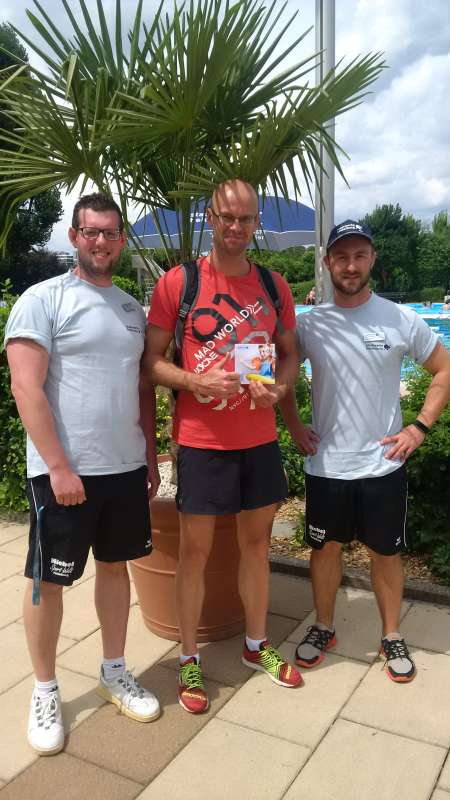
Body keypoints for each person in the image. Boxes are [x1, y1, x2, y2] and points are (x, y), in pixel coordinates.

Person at [4, 193, 161, 756]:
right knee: (48, 582)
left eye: (110, 233)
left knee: (116, 569)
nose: (101, 241)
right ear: (74, 236)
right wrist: (60, 466)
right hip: (63, 474)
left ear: (121, 239)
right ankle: (44, 690)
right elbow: (25, 386)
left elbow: (141, 386)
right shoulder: (42, 299)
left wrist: (148, 453)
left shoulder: (129, 308)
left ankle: (114, 670)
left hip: (124, 468)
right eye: (90, 232)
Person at [146, 179, 302, 714]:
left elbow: (288, 355)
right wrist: (194, 383)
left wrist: (280, 389)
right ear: (210, 218)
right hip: (202, 442)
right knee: (195, 552)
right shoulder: (179, 283)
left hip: (257, 439)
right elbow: (151, 363)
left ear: (257, 223)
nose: (235, 228)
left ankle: (257, 646)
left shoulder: (273, 285)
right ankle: (189, 657)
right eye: (226, 218)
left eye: (246, 219)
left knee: (257, 547)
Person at [279, 219, 450, 683]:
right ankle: (323, 626)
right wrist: (294, 424)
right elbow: (280, 375)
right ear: (329, 262)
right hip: (328, 464)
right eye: (341, 256)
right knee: (324, 550)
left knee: (386, 553)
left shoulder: (400, 319)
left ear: (372, 259)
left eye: (359, 256)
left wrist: (419, 427)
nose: (350, 265)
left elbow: (443, 370)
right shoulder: (309, 323)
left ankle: (391, 633)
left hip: (383, 464)